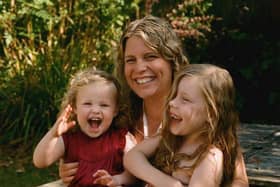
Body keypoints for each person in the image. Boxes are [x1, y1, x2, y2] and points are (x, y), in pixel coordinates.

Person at [59, 16, 248, 186]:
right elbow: (81, 142)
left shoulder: (198, 117)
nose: (140, 67)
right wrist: (70, 164)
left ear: (171, 59)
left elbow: (238, 179)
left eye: (151, 56)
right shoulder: (116, 112)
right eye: (130, 60)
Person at [124, 63, 247, 187]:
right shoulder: (167, 137)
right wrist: (166, 182)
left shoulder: (210, 156)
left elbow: (240, 182)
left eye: (185, 99)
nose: (172, 102)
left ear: (211, 114)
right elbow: (132, 157)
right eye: (174, 95)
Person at [33, 67, 136, 187]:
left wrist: (117, 179)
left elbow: (135, 172)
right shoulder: (70, 138)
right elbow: (40, 161)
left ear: (115, 110)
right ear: (75, 107)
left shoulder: (121, 139)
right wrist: (53, 135)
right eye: (87, 104)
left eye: (104, 105)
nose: (96, 110)